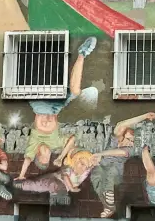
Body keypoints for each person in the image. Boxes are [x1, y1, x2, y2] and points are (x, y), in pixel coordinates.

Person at [17, 36, 97, 179]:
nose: (47, 153)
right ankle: (82, 54)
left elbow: (27, 160)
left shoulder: (33, 145)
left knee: (34, 83)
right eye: (48, 157)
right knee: (75, 91)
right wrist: (60, 156)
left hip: (40, 106)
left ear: (38, 154)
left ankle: (30, 53)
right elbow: (72, 139)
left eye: (43, 157)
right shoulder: (55, 144)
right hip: (56, 108)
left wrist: (22, 175)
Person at [91, 112, 155, 218]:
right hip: (101, 167)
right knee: (96, 176)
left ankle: (109, 204)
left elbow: (121, 153)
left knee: (110, 171)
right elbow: (121, 125)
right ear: (122, 137)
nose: (130, 142)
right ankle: (109, 207)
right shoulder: (114, 141)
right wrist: (144, 116)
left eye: (132, 141)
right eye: (128, 139)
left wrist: (100, 154)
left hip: (116, 173)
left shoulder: (131, 149)